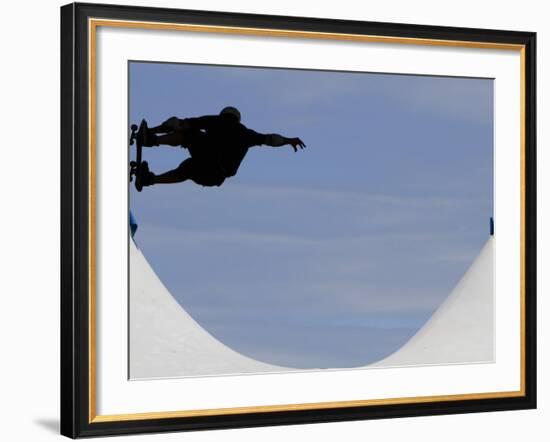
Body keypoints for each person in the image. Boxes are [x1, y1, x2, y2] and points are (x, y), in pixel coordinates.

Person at [136, 106, 306, 189]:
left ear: (222, 115)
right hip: (215, 176)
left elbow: (179, 124)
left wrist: (151, 131)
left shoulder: (214, 121)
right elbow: (271, 139)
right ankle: (150, 180)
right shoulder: (246, 134)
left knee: (188, 134)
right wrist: (289, 140)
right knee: (187, 169)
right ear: (237, 119)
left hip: (208, 161)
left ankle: (151, 140)